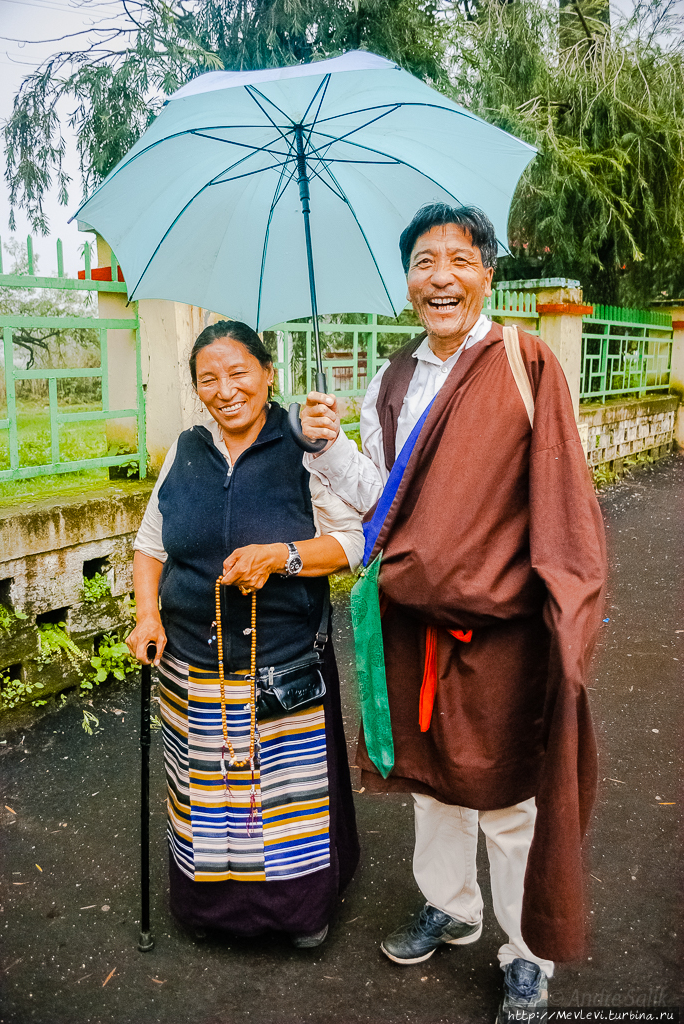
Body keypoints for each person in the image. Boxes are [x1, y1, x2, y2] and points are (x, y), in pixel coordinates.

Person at [300, 203, 607, 1019]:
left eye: (459, 258)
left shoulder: (522, 360)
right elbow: (384, 506)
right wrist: (330, 450)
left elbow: (559, 489)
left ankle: (525, 950)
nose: (441, 275)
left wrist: (567, 611)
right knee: (433, 785)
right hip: (413, 620)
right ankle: (452, 908)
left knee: (506, 794)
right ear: (407, 283)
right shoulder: (392, 377)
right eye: (424, 261)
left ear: (486, 275)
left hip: (503, 625)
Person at [127, 319, 362, 947]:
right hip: (191, 665)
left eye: (239, 373)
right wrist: (146, 614)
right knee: (205, 795)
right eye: (209, 379)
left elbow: (352, 543)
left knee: (284, 804)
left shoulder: (305, 447)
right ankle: (209, 913)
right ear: (198, 389)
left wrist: (279, 556)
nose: (226, 390)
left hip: (278, 662)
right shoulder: (186, 449)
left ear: (267, 374)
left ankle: (294, 916)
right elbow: (150, 546)